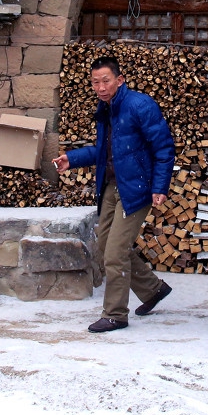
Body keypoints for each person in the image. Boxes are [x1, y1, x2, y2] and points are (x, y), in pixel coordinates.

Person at [55, 56, 175, 332]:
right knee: (105, 246)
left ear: (120, 80)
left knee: (115, 253)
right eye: (95, 82)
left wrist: (160, 186)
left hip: (136, 188)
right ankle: (153, 289)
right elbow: (104, 151)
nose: (100, 86)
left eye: (105, 80)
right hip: (112, 185)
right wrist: (71, 159)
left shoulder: (139, 105)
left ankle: (115, 314)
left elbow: (164, 148)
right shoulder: (106, 108)